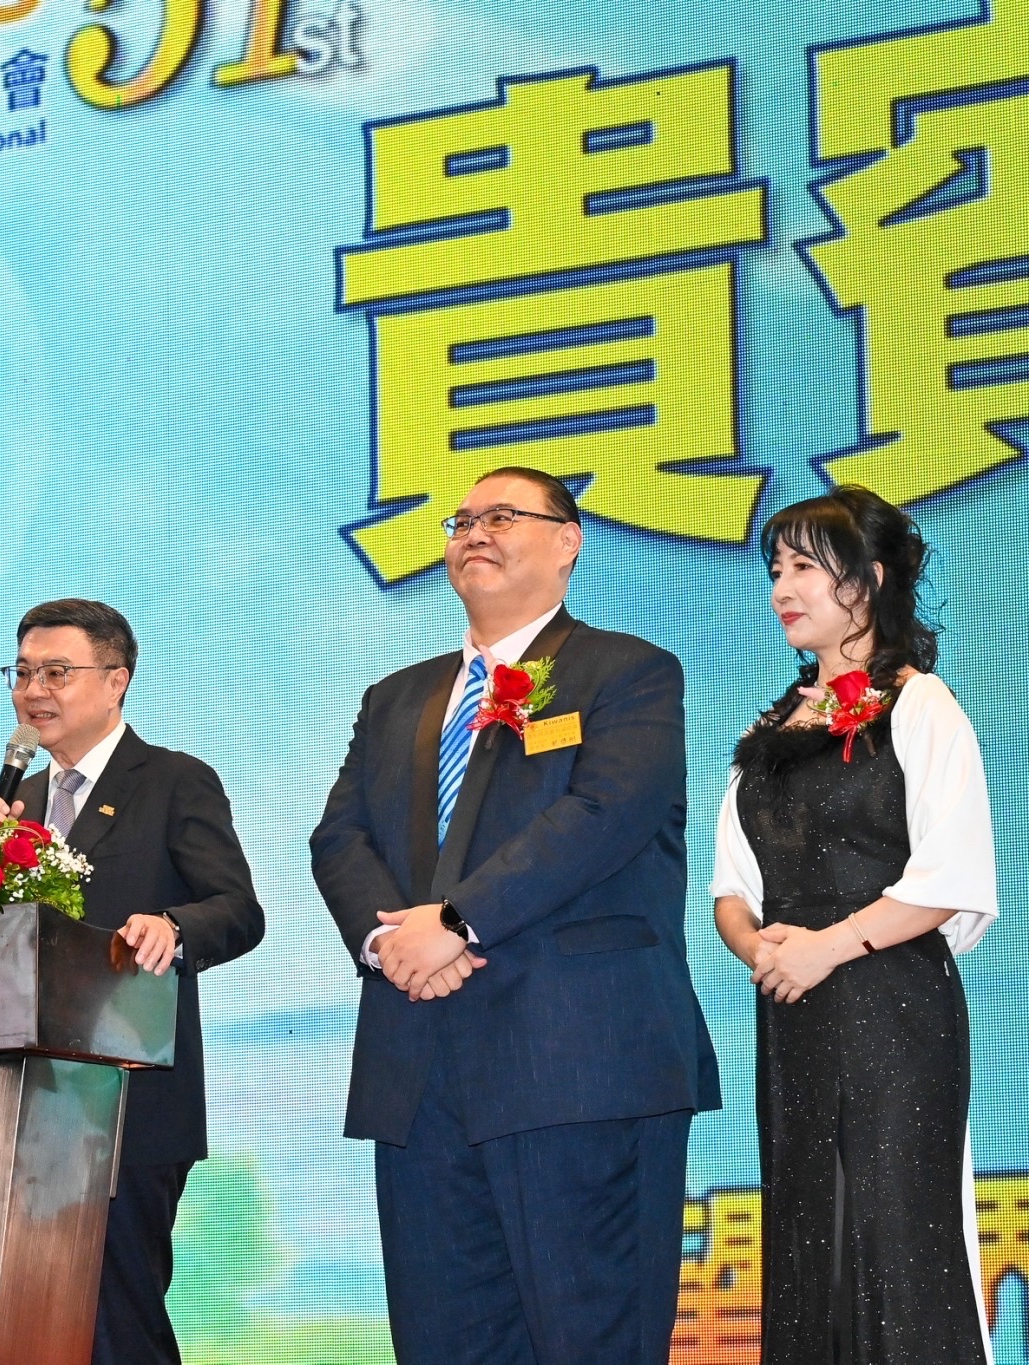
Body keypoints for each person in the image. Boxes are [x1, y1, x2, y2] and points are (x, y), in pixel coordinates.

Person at [310, 466, 719, 1365]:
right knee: (443, 1341)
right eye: (461, 520)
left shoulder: (629, 672)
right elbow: (339, 836)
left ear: (568, 541)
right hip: (420, 1067)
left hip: (578, 1063)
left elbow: (604, 815)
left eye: (502, 515)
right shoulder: (396, 698)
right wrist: (391, 940)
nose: (474, 533)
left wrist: (456, 921)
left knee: (592, 1337)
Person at [710, 486, 996, 1364]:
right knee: (807, 1235)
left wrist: (827, 948)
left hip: (891, 1009)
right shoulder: (770, 728)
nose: (781, 589)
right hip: (794, 1010)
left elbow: (950, 879)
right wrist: (760, 947)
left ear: (868, 580)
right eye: (775, 568)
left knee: (896, 1233)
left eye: (804, 566)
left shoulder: (922, 705)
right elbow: (732, 887)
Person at [0, 598, 265, 1365]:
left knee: (117, 1324)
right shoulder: (17, 804)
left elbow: (238, 909)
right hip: (16, 1106)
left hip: (129, 1102)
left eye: (56, 672)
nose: (33, 690)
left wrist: (174, 925)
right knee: (22, 1326)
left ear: (115, 680)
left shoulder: (171, 780)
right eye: (21, 672)